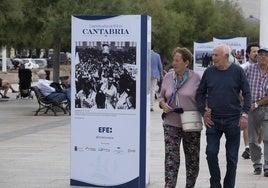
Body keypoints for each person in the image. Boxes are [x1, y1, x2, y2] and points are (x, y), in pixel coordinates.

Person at [195, 44, 251, 188]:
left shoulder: (238, 71)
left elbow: (247, 94)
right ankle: (215, 183)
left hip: (233, 120)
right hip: (213, 121)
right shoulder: (209, 72)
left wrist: (244, 115)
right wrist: (203, 111)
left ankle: (229, 185)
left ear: (226, 56)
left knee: (232, 158)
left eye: (216, 55)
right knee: (211, 153)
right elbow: (199, 94)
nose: (213, 58)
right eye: (212, 55)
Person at [158, 47, 201, 188]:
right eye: (173, 60)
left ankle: (190, 185)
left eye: (177, 60)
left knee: (192, 159)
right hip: (171, 123)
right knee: (171, 158)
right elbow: (161, 96)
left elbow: (202, 99)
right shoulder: (168, 77)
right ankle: (169, 185)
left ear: (186, 62)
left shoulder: (196, 78)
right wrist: (163, 104)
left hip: (190, 123)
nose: (173, 63)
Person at [244, 47, 268, 176]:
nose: (263, 57)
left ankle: (267, 165)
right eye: (260, 54)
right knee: (252, 139)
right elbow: (240, 84)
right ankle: (257, 164)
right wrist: (243, 100)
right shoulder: (249, 69)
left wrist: (257, 103)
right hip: (251, 110)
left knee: (267, 138)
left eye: (265, 55)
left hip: (266, 108)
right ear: (256, 57)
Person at [240, 43, 263, 159]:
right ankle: (248, 148)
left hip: (262, 102)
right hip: (248, 102)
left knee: (260, 128)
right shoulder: (244, 68)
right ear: (248, 54)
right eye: (253, 51)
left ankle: (256, 146)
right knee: (248, 125)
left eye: (258, 52)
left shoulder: (264, 67)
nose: (256, 54)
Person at [151, 44, 163, 111]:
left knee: (145, 91)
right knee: (152, 90)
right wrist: (161, 75)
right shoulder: (157, 55)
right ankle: (151, 106)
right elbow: (160, 66)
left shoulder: (144, 54)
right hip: (154, 74)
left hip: (146, 74)